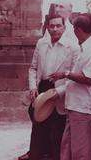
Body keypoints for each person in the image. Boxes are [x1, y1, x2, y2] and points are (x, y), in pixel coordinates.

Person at [19, 12, 80, 160]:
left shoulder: (73, 48)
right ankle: (34, 155)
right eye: (51, 26)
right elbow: (33, 68)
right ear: (47, 27)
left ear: (64, 27)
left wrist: (59, 92)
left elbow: (74, 77)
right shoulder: (41, 43)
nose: (55, 29)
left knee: (56, 132)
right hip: (42, 89)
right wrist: (33, 87)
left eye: (58, 26)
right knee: (38, 127)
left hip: (60, 91)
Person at [50, 13, 91, 160]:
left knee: (82, 154)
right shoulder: (87, 46)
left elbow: (88, 78)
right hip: (77, 107)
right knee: (68, 151)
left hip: (85, 108)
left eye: (74, 29)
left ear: (79, 30)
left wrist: (66, 74)